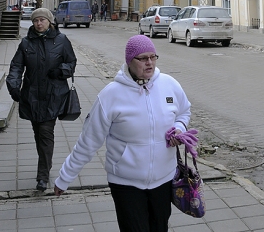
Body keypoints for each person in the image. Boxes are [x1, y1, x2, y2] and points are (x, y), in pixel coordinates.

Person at [53, 35, 193, 232]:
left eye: (153, 57)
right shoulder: (111, 95)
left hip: (164, 179)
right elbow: (88, 141)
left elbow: (184, 111)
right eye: (143, 58)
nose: (150, 63)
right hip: (126, 183)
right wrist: (65, 177)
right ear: (129, 61)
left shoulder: (169, 85)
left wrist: (180, 128)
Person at [6, 7, 76, 191]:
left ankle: (42, 176)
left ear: (49, 21)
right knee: (38, 134)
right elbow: (16, 67)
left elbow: (71, 63)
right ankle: (45, 165)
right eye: (36, 20)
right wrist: (13, 86)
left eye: (42, 20)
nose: (39, 23)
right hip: (32, 96)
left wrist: (60, 71)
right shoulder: (26, 43)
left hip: (53, 96)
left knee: (45, 133)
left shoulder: (61, 40)